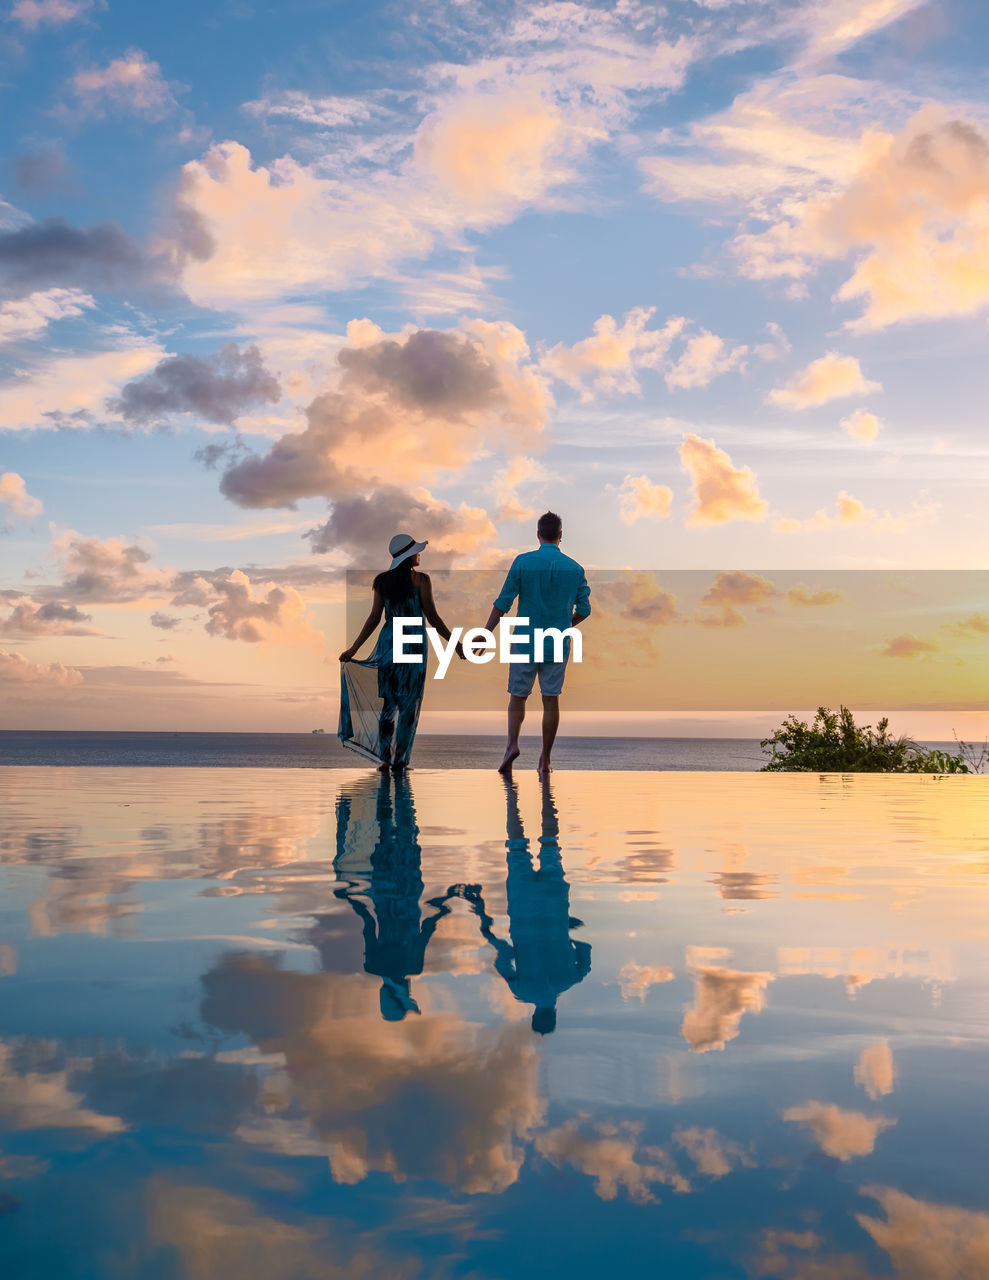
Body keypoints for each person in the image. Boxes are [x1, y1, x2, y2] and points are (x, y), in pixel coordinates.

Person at [456, 775, 591, 1035]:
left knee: (550, 844)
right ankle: (511, 794)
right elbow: (504, 952)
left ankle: (546, 789)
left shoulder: (572, 979)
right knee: (516, 846)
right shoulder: (521, 990)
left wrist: (565, 932)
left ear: (554, 1013)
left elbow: (585, 947)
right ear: (534, 1015)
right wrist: (483, 919)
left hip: (554, 904)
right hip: (523, 905)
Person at [339, 533, 463, 772]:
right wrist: (456, 645)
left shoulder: (382, 582)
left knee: (389, 704)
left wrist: (354, 648)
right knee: (409, 705)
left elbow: (374, 618)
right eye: (417, 552)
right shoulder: (422, 581)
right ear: (409, 556)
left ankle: (385, 758)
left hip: (389, 642)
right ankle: (400, 761)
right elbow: (434, 619)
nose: (420, 556)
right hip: (413, 643)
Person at [484, 511, 590, 776]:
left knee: (517, 696)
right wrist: (566, 625)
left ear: (538, 534)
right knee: (550, 699)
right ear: (561, 535)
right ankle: (545, 760)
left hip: (525, 639)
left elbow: (503, 603)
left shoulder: (523, 562)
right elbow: (585, 609)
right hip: (557, 642)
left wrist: (486, 633)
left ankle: (511, 746)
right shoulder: (575, 569)